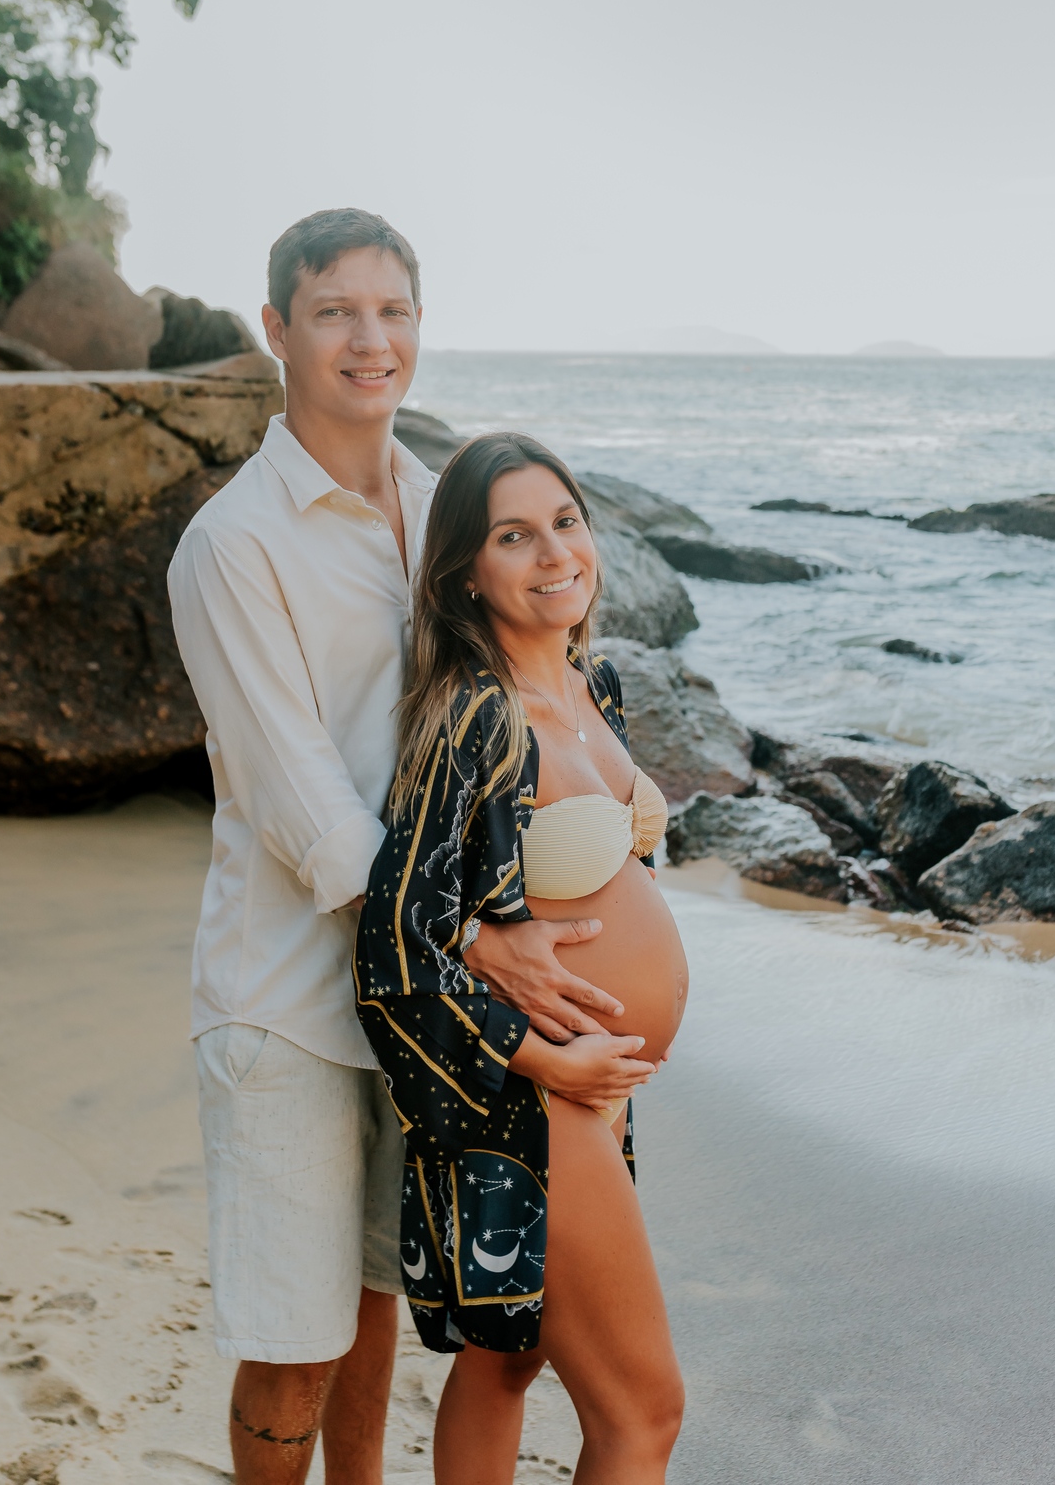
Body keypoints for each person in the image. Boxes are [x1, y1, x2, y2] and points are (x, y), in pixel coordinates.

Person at [169, 212, 628, 1485]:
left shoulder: (445, 512)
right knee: (296, 1347)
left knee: (379, 1308)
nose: (372, 341)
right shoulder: (233, 544)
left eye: (394, 311)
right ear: (277, 331)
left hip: (422, 1003)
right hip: (289, 999)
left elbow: (514, 713)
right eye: (335, 312)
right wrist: (476, 935)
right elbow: (298, 803)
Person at [355, 431, 688, 1485]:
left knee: (512, 1358)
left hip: (597, 1094)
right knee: (644, 1410)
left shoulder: (598, 690)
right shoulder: (474, 718)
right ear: (465, 571)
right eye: (514, 535)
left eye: (565, 522)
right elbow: (395, 947)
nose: (554, 554)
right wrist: (545, 1062)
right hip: (530, 1099)